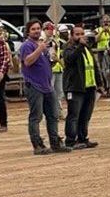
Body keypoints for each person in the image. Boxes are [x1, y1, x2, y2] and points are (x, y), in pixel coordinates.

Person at [20, 20, 71, 155]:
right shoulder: (27, 46)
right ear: (28, 32)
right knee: (36, 116)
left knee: (53, 116)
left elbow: (47, 65)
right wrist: (40, 49)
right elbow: (28, 61)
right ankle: (37, 145)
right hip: (34, 86)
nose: (36, 31)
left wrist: (52, 60)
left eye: (38, 28)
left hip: (47, 86)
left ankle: (55, 143)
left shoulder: (42, 46)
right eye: (33, 29)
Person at [63, 24, 103, 149]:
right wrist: (80, 45)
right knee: (73, 115)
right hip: (75, 87)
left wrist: (99, 83)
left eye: (82, 34)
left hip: (89, 86)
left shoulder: (87, 48)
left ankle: (83, 138)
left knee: (85, 115)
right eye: (77, 34)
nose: (81, 37)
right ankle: (70, 140)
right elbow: (70, 59)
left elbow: (94, 66)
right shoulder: (68, 48)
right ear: (72, 36)